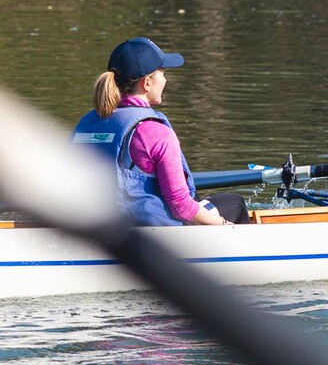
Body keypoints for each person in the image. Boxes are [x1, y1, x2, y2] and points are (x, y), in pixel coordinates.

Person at [70, 37, 250, 225]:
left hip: (95, 228)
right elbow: (181, 206)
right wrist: (224, 225)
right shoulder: (155, 132)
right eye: (163, 74)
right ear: (147, 82)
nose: (165, 80)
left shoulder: (85, 123)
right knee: (234, 202)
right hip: (154, 234)